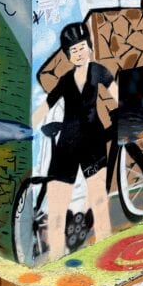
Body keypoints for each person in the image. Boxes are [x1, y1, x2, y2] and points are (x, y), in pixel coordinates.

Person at [33, 21, 118, 257]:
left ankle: (104, 248)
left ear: (89, 47)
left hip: (93, 141)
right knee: (58, 207)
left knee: (99, 201)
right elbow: (47, 105)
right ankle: (55, 256)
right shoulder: (66, 80)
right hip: (67, 144)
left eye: (82, 47)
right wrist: (26, 127)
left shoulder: (98, 71)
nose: (79, 53)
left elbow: (115, 91)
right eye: (73, 50)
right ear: (68, 56)